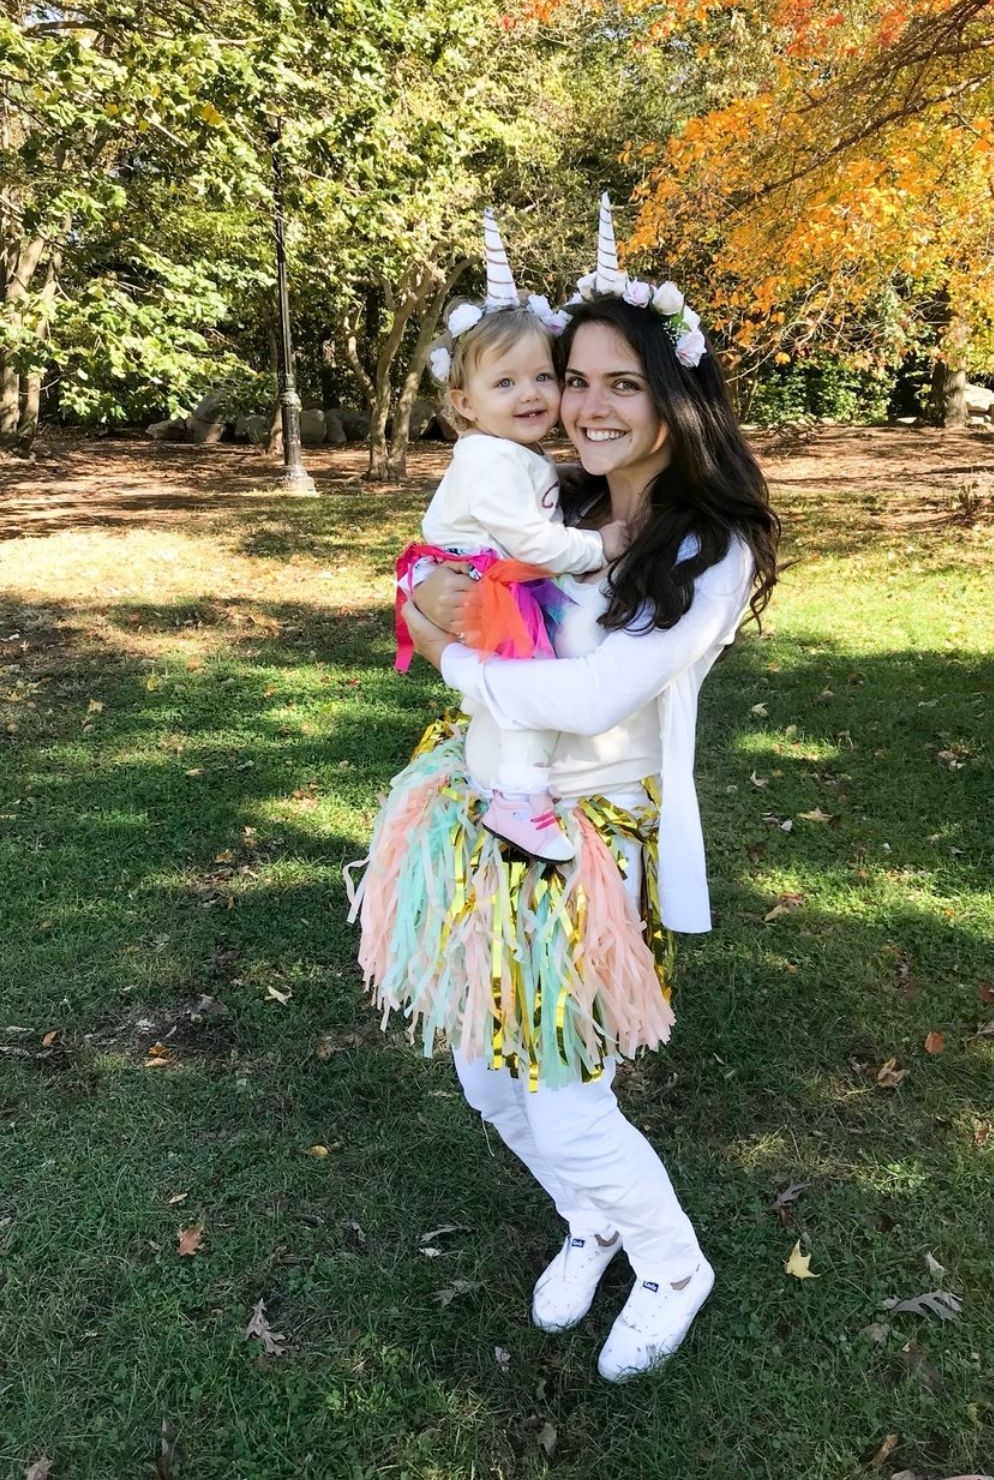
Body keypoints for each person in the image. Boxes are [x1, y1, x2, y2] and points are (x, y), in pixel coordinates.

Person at [350, 195, 778, 1381]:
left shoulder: (705, 550)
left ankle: (672, 1260)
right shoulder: (563, 501)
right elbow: (438, 570)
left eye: (617, 385)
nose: (583, 406)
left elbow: (589, 700)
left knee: (568, 1088)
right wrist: (424, 597)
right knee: (489, 1076)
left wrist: (441, 651)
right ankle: (591, 1218)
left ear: (672, 397)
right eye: (570, 380)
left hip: (587, 841)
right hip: (493, 815)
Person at [393, 210, 629, 862]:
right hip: (479, 574)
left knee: (523, 687)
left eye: (543, 377)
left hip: (478, 572)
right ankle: (519, 800)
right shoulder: (487, 458)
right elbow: (530, 539)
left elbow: (533, 501)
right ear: (464, 403)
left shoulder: (507, 455)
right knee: (531, 681)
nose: (531, 394)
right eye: (505, 383)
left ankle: (515, 787)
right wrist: (599, 546)